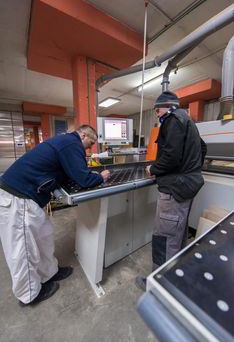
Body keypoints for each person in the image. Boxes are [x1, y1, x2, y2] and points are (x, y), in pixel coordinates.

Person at [0, 125, 110, 305]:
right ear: (82, 135)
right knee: (23, 248)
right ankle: (29, 294)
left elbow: (70, 172)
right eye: (91, 142)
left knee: (44, 236)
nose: (91, 148)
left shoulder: (65, 143)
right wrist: (101, 177)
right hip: (17, 197)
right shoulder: (71, 144)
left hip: (29, 197)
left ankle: (49, 273)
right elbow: (83, 179)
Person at [136, 91, 207, 291]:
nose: (157, 115)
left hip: (175, 188)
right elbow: (203, 148)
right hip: (188, 185)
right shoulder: (189, 122)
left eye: (157, 110)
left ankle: (159, 285)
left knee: (164, 236)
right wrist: (189, 169)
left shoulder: (172, 120)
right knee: (178, 233)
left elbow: (171, 156)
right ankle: (175, 275)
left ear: (167, 106)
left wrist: (153, 169)